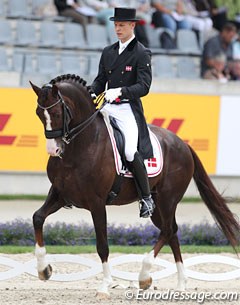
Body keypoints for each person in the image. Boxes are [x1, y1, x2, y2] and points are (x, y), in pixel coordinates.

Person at [90, 7, 155, 218]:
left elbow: (144, 87)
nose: (117, 29)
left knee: (128, 150)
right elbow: (101, 80)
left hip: (127, 109)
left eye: (122, 25)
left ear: (132, 25)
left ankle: (146, 198)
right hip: (107, 106)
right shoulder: (108, 51)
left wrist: (121, 91)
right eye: (116, 25)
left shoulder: (141, 53)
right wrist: (91, 92)